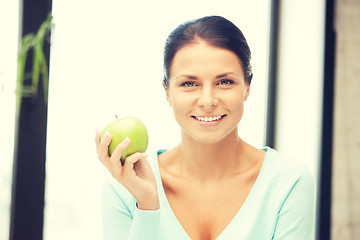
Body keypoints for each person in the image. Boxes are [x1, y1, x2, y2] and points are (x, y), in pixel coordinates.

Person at [95, 16, 315, 240]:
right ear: (167, 92)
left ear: (247, 87)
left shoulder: (289, 183)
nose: (208, 101)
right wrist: (147, 206)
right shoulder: (124, 187)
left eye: (225, 82)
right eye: (189, 84)